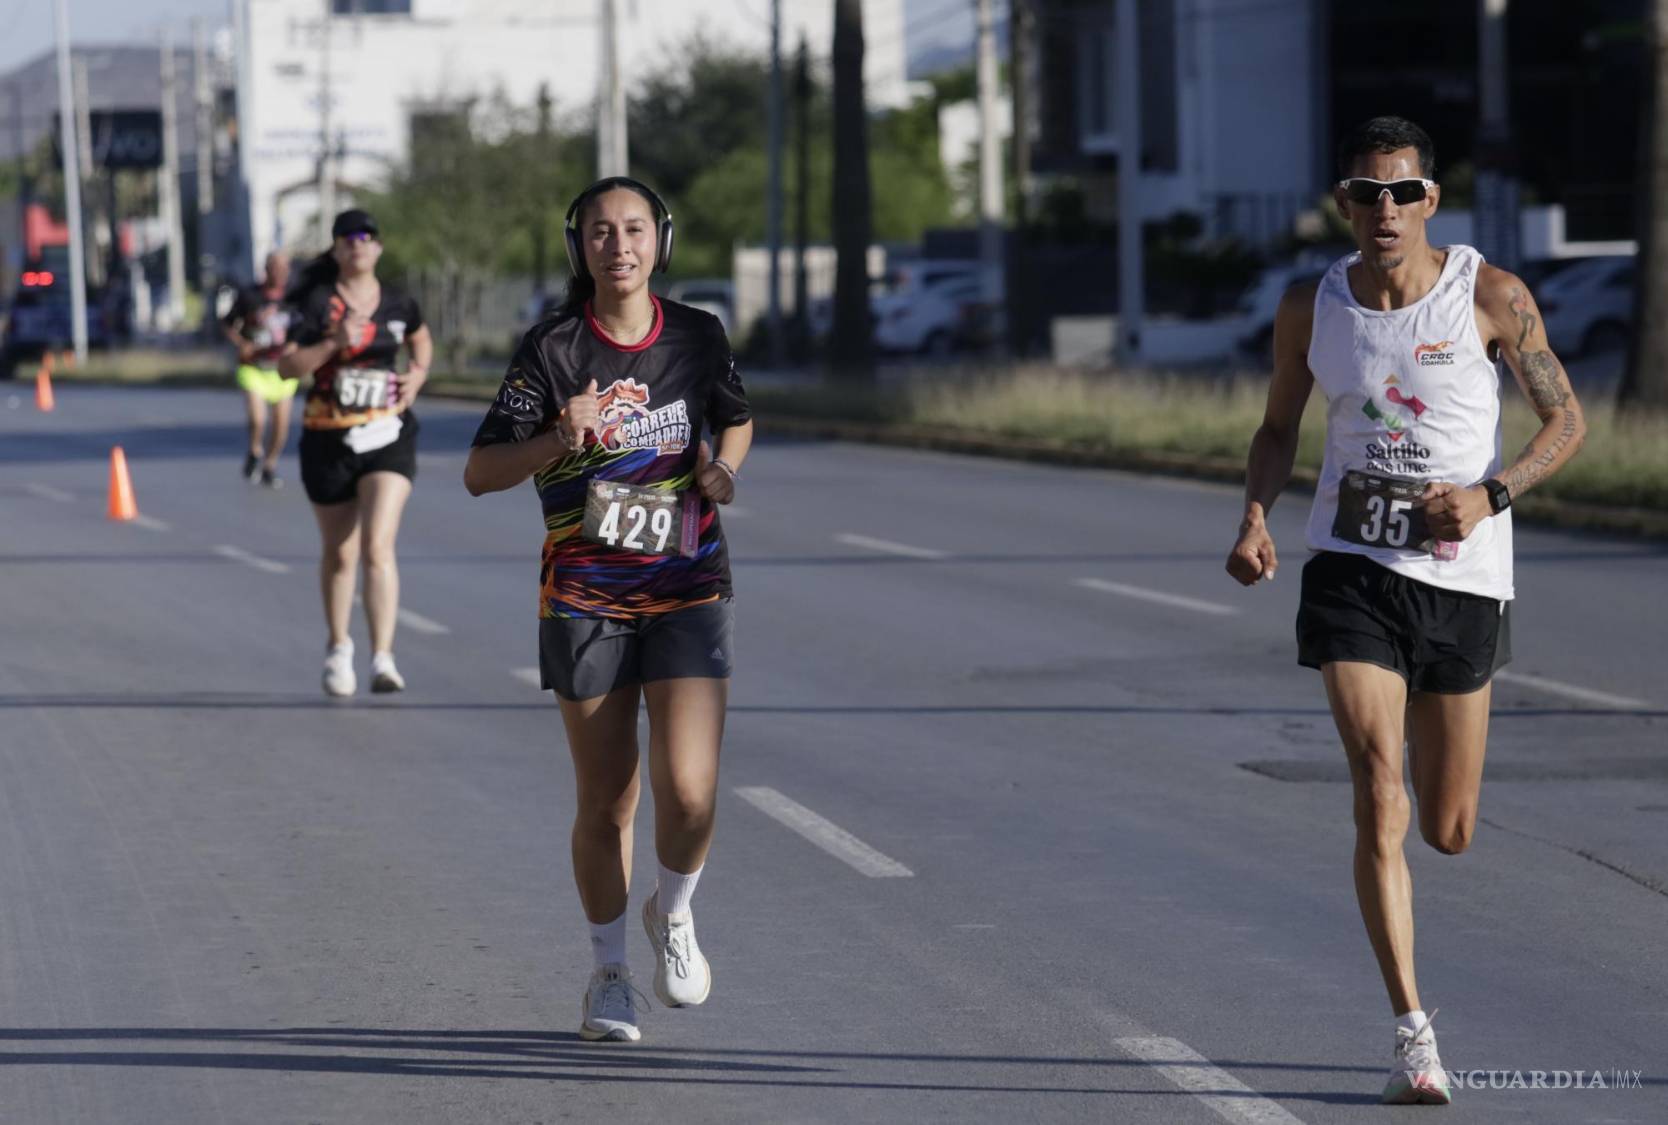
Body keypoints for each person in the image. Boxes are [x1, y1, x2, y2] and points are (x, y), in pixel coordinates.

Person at [1224, 116, 1586, 1105]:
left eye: (1402, 192)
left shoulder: (1492, 297)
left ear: (1431, 200)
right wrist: (1257, 513)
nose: (1383, 210)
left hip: (1463, 580)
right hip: (1352, 567)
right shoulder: (1313, 305)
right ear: (1343, 203)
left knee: (1448, 828)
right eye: (1364, 193)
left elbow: (1567, 418)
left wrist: (1490, 495)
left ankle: (1417, 992)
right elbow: (1275, 427)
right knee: (1379, 793)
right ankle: (1413, 1036)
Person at [464, 177, 753, 1043]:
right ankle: (610, 974)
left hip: (687, 582)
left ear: (659, 239)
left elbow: (734, 421)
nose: (617, 245)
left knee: (692, 791)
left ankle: (675, 910)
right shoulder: (552, 350)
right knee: (610, 798)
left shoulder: (698, 336)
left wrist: (723, 472)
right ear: (578, 246)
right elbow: (480, 471)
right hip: (585, 596)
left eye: (633, 229)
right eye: (599, 232)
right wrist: (560, 433)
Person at [279, 209, 433, 697]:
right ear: (337, 250)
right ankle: (339, 644)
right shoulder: (317, 303)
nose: (358, 245)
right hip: (328, 437)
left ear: (378, 248)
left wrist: (418, 375)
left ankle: (383, 658)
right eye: (348, 239)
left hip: (387, 434)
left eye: (367, 237)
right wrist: (331, 343)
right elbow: (287, 367)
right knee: (341, 553)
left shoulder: (399, 302)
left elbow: (421, 341)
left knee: (377, 546)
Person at [221, 251, 297, 488]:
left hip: (282, 368)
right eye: (275, 267)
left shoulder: (294, 297)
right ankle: (255, 449)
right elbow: (227, 323)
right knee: (258, 418)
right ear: (266, 269)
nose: (280, 272)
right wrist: (242, 344)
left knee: (281, 425)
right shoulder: (249, 295)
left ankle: (270, 465)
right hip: (253, 367)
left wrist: (295, 346)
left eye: (285, 267)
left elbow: (306, 325)